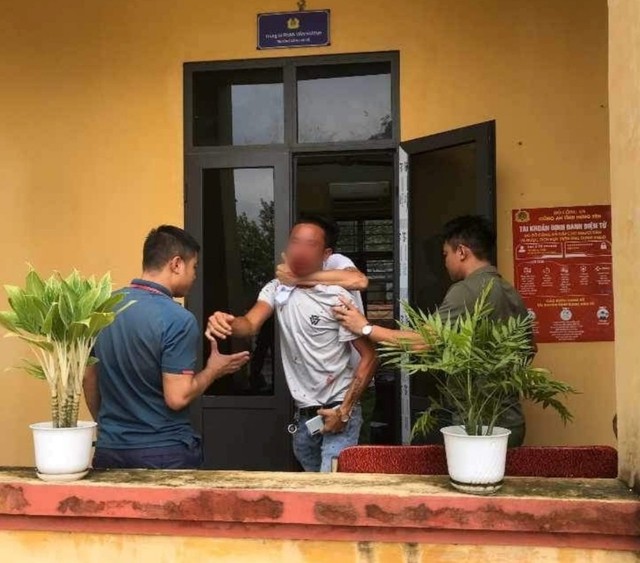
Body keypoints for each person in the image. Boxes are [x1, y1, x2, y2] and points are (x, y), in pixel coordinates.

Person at [333, 215, 533, 447]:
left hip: (478, 424)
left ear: (462, 251)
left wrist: (364, 327)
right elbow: (528, 350)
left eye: (445, 254)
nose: (445, 262)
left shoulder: (466, 290)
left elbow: (423, 341)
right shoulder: (509, 291)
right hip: (510, 419)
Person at [207, 216, 378, 472]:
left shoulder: (336, 296)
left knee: (330, 488)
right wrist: (227, 322)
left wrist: (344, 411)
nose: (300, 250)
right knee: (310, 483)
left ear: (326, 255)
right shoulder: (276, 289)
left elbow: (370, 356)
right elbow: (250, 324)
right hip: (305, 414)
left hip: (338, 406)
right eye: (295, 242)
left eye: (310, 244)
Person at [83, 225, 250, 469]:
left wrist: (109, 429)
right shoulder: (177, 319)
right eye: (194, 267)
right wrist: (213, 370)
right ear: (177, 264)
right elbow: (177, 397)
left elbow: (88, 378)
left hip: (111, 449)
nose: (194, 276)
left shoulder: (103, 309)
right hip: (163, 453)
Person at [275, 251, 377, 445]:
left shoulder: (336, 263)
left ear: (326, 253)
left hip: (354, 385)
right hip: (313, 399)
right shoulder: (286, 293)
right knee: (310, 457)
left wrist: (298, 278)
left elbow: (359, 280)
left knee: (354, 456)